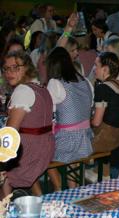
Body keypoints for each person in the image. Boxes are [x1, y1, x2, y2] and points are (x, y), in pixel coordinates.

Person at [1, 51, 55, 197]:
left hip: (31, 150)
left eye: (15, 67)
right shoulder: (41, 88)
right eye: (6, 68)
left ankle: (3, 208)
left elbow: (10, 132)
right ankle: (38, 200)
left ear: (27, 68)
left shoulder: (22, 90)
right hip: (46, 146)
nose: (9, 73)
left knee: (4, 175)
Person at [46, 47, 94, 188]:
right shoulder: (85, 81)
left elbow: (49, 112)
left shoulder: (55, 83)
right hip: (85, 139)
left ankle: (59, 189)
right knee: (71, 158)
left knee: (41, 153)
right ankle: (74, 189)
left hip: (67, 140)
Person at [92, 52, 119, 178]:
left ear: (105, 69)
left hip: (107, 140)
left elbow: (96, 122)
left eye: (96, 66)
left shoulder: (102, 88)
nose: (94, 69)